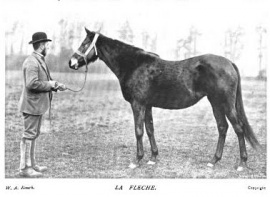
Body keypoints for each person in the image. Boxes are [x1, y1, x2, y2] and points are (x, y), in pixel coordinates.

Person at [18, 32, 66, 177]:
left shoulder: (39, 59)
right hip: (31, 106)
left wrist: (55, 85)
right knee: (29, 135)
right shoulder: (32, 61)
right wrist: (51, 84)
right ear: (41, 46)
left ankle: (32, 164)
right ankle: (25, 168)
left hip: (36, 105)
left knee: (34, 134)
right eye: (47, 45)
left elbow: (43, 81)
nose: (48, 48)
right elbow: (32, 84)